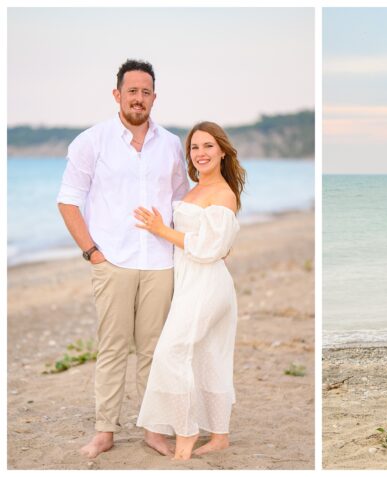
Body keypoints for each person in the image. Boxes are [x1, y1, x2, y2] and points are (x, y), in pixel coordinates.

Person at [57, 59, 189, 458]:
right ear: (117, 95)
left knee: (154, 350)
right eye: (132, 91)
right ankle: (105, 431)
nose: (139, 98)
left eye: (146, 92)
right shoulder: (91, 142)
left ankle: (153, 429)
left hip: (160, 263)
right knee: (113, 348)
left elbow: (182, 202)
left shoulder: (170, 144)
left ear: (154, 97)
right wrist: (93, 253)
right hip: (112, 260)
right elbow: (68, 201)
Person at [133, 121, 244, 460]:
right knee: (208, 355)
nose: (201, 153)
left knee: (172, 353)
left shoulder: (223, 193)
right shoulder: (194, 190)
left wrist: (159, 229)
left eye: (208, 146)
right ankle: (220, 436)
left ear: (222, 151)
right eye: (195, 148)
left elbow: (208, 247)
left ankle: (186, 431)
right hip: (189, 280)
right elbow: (213, 242)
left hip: (207, 284)